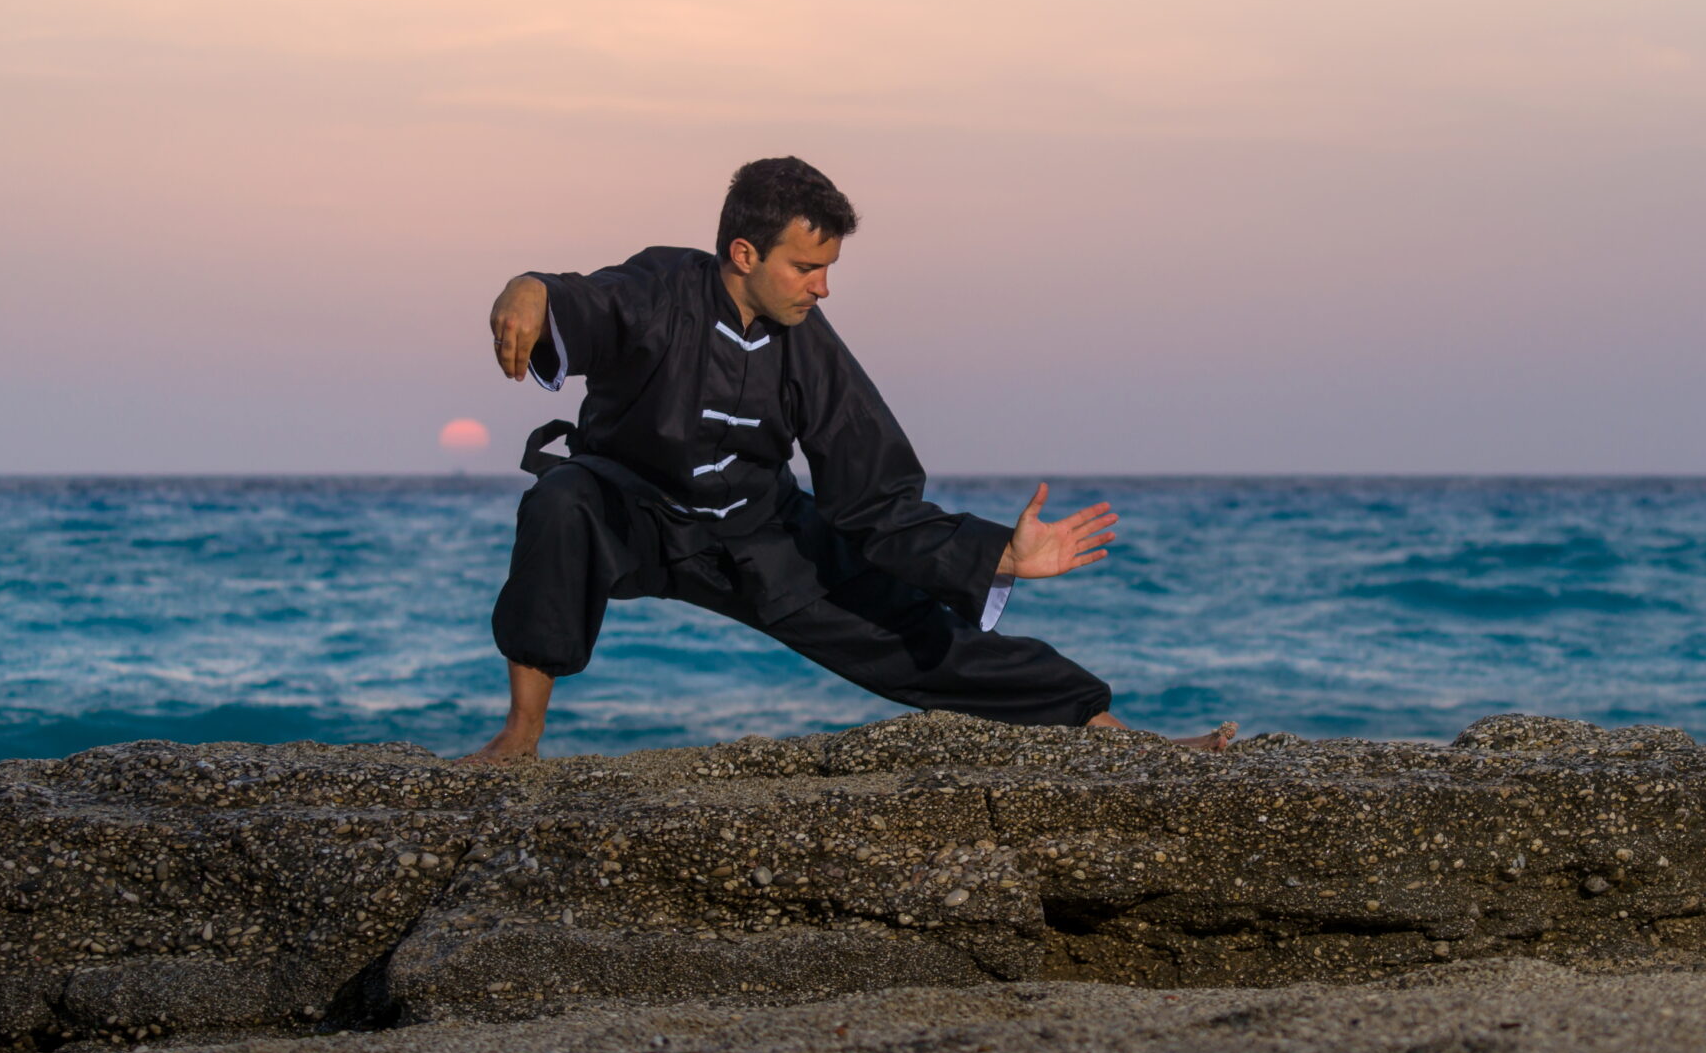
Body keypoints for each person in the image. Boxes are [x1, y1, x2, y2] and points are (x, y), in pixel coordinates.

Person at [464, 156, 1234, 760]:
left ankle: (1118, 734)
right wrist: (526, 287)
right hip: (631, 513)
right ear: (743, 251)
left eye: (829, 267)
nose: (823, 287)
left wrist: (998, 551)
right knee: (560, 498)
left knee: (919, 636)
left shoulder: (809, 346)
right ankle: (520, 738)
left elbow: (877, 499)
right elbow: (579, 301)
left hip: (761, 541)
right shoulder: (660, 287)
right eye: (806, 267)